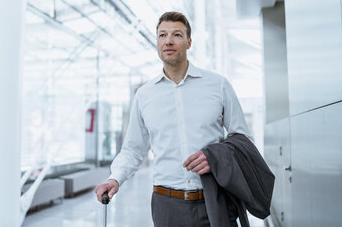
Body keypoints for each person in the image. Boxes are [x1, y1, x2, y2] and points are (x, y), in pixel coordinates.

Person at [95, 11, 252, 227]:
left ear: (189, 42)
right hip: (167, 205)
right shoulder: (144, 95)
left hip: (215, 200)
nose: (168, 41)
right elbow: (133, 149)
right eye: (162, 35)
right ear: (157, 42)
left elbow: (243, 137)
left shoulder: (218, 85)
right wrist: (115, 178)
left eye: (176, 35)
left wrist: (216, 156)